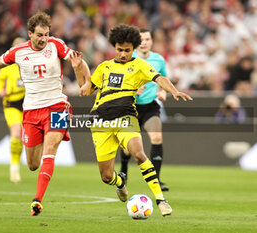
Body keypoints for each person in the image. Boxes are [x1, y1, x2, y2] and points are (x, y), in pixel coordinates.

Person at [0, 11, 90, 216]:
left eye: (46, 34)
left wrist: (86, 81)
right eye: (40, 35)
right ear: (30, 33)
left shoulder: (56, 45)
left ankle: (37, 200)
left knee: (50, 149)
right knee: (32, 164)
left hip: (57, 105)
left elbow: (78, 61)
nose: (44, 39)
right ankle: (39, 151)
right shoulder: (18, 52)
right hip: (31, 111)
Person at [77, 24, 192, 216]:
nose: (123, 54)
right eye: (120, 50)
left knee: (139, 154)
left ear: (134, 49)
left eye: (127, 50)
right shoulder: (104, 67)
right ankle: (120, 182)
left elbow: (159, 78)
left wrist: (174, 90)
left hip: (125, 118)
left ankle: (161, 200)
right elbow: (86, 90)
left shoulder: (139, 66)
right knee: (106, 176)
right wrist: (78, 67)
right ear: (114, 47)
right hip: (100, 122)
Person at [119, 28, 170, 191]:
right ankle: (123, 173)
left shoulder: (158, 59)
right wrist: (132, 90)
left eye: (147, 39)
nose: (144, 42)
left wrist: (163, 91)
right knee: (127, 149)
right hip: (130, 107)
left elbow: (163, 79)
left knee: (156, 137)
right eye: (141, 39)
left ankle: (156, 180)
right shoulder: (128, 58)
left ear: (152, 41)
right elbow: (119, 83)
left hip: (149, 106)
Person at [0, 37, 26, 183]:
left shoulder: (29, 65)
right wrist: (1, 91)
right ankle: (14, 167)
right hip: (12, 103)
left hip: (27, 103)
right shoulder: (7, 66)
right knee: (16, 133)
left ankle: (18, 163)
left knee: (25, 137)